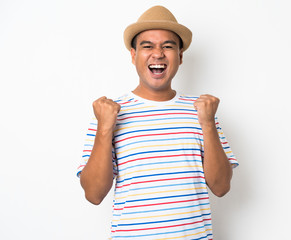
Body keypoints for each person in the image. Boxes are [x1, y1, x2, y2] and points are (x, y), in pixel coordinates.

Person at [77, 5, 238, 240]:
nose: (158, 53)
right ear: (133, 55)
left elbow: (222, 187)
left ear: (180, 57)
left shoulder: (203, 112)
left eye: (168, 46)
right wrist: (104, 129)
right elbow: (93, 194)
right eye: (148, 46)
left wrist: (208, 124)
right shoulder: (109, 113)